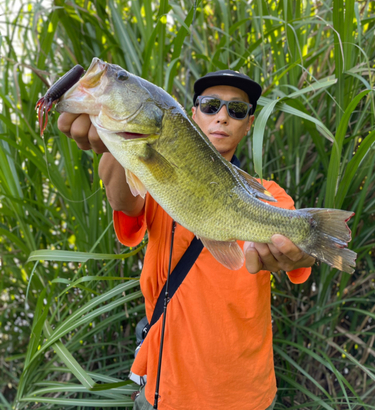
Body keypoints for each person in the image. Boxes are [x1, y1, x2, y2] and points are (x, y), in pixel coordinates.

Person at [58, 69, 315, 410]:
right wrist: (115, 144)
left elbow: (300, 254)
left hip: (247, 392)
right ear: (192, 113)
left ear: (248, 123)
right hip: (168, 389)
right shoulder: (159, 186)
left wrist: (303, 253)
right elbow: (124, 200)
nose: (222, 116)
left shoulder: (269, 196)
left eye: (236, 110)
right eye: (210, 106)